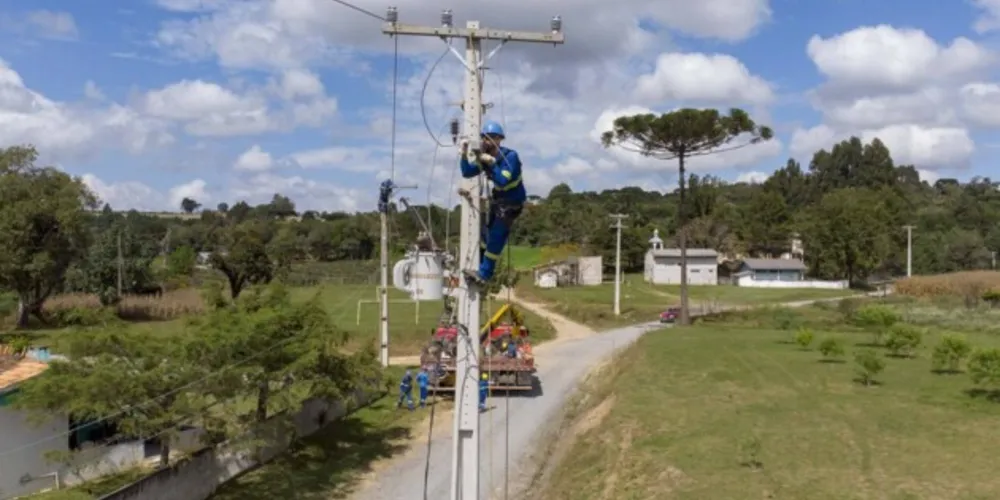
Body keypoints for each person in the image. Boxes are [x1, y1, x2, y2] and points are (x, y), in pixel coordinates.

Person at [459, 121, 526, 284]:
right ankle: (479, 266)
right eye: (485, 138)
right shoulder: (485, 157)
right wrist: (464, 154)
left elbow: (502, 180)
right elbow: (467, 172)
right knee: (485, 236)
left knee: (496, 238)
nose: (486, 142)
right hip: (498, 202)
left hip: (511, 204)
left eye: (491, 138)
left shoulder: (510, 157)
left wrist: (491, 163)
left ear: (499, 139)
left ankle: (484, 274)